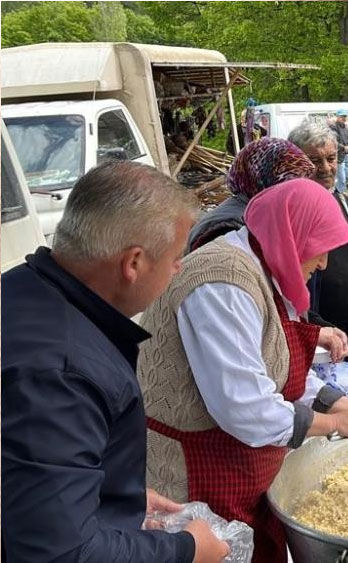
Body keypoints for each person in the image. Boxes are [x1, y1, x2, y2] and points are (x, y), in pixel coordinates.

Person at [139, 179, 348, 563]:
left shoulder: (268, 268)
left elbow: (280, 368)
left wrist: (343, 405)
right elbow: (246, 409)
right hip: (194, 476)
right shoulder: (221, 282)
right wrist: (337, 425)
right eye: (319, 248)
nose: (324, 262)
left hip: (242, 468)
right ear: (292, 236)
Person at [2, 161, 230, 563]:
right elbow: (61, 553)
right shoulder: (62, 371)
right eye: (176, 257)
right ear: (134, 263)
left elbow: (28, 472)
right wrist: (186, 549)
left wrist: (106, 493)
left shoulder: (22, 290)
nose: (179, 268)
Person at [289, 121, 348, 352]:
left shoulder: (342, 201)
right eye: (314, 161)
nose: (326, 168)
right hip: (312, 333)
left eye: (331, 158)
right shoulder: (294, 211)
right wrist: (315, 328)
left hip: (344, 329)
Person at [187, 138, 316, 252]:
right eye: (292, 184)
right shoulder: (231, 228)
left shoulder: (252, 213)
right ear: (264, 178)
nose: (299, 195)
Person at [331, 110, 348, 193]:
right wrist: (344, 147)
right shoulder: (333, 127)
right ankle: (342, 195)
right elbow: (333, 142)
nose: (344, 118)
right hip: (338, 156)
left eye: (345, 116)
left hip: (346, 155)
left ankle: (337, 191)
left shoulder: (345, 127)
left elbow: (347, 140)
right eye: (342, 116)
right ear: (337, 117)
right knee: (342, 179)